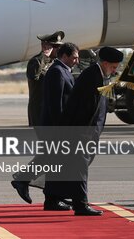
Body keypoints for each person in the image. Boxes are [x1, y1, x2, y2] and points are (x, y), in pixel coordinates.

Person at [44, 46, 122, 216]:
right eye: (114, 67)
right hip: (80, 131)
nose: (115, 70)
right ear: (106, 63)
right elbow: (83, 109)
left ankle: (52, 199)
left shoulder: (100, 74)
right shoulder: (92, 76)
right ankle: (81, 204)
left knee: (69, 165)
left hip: (85, 131)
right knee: (80, 167)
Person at [11, 42, 78, 206]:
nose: (77, 61)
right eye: (56, 46)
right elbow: (54, 101)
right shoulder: (50, 67)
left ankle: (52, 196)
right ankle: (31, 184)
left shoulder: (60, 68)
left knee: (53, 157)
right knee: (52, 156)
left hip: (52, 121)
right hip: (49, 121)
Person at [26, 31, 64, 126]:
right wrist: (44, 56)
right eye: (55, 47)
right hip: (39, 109)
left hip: (52, 109)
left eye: (59, 47)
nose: (59, 49)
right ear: (45, 46)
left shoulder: (56, 62)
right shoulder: (36, 61)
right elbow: (34, 77)